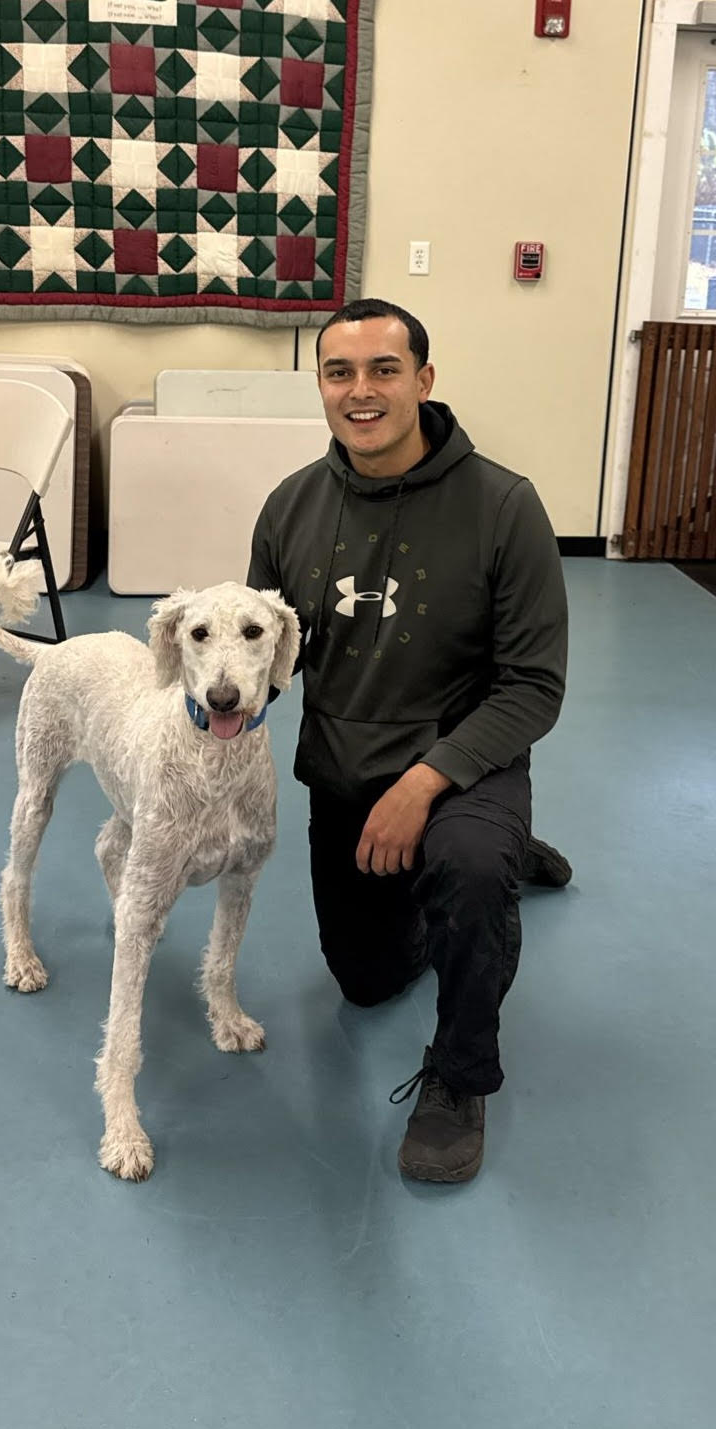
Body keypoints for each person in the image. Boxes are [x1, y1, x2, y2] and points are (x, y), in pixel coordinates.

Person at [248, 297, 570, 1185]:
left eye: (383, 369)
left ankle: (460, 1074)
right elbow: (265, 654)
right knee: (365, 979)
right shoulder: (288, 506)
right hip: (344, 769)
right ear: (320, 385)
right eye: (339, 372)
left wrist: (425, 783)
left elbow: (533, 686)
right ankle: (494, 859)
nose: (361, 390)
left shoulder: (504, 505)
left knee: (467, 866)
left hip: (464, 759)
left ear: (423, 380)